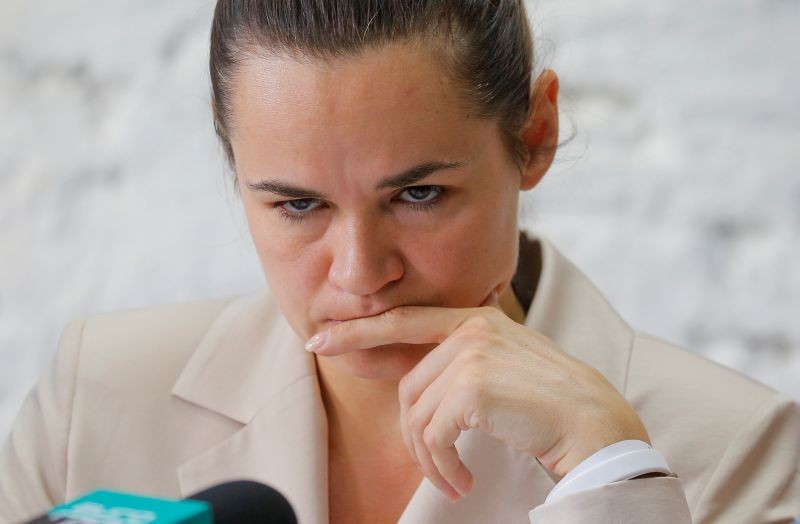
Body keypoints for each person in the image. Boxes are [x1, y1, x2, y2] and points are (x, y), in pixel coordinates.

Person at [1, 1, 798, 523]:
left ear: (535, 134)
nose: (358, 273)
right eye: (297, 205)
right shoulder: (96, 397)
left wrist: (610, 478)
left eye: (417, 195)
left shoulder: (730, 450)